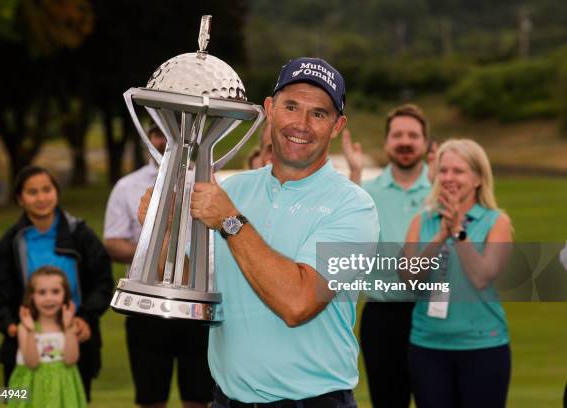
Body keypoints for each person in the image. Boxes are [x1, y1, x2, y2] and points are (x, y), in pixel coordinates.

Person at [139, 57, 379, 405]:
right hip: (227, 399)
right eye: (291, 106)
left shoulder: (354, 207)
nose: (301, 124)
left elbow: (298, 303)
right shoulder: (234, 190)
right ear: (269, 109)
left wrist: (231, 223)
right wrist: (161, 234)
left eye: (319, 113)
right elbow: (194, 285)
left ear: (337, 125)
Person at [103, 125, 213, 408]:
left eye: (174, 133)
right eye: (159, 133)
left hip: (196, 303)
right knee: (151, 398)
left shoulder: (207, 181)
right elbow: (113, 242)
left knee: (199, 397)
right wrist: (154, 251)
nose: (166, 141)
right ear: (147, 138)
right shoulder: (127, 186)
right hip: (147, 305)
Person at [402, 139, 512, 407]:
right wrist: (440, 236)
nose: (449, 178)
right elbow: (408, 279)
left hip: (482, 347)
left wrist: (458, 233)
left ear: (477, 178)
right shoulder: (422, 220)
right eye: (444, 170)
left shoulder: (497, 221)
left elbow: (483, 275)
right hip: (427, 347)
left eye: (459, 171)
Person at [0, 165, 113, 401]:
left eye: (47, 189)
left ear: (56, 192)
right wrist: (10, 325)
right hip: (27, 336)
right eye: (32, 192)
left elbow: (103, 282)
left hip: (73, 333)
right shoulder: (10, 243)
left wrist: (86, 318)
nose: (41, 198)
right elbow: (1, 292)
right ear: (20, 199)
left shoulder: (80, 234)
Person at [342, 104, 434, 407]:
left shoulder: (442, 190)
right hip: (382, 318)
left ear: (426, 144)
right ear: (387, 143)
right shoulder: (366, 191)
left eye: (413, 135)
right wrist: (354, 174)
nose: (405, 142)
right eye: (398, 135)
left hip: (432, 314)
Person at [7, 266, 87, 407]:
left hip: (62, 388)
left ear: (65, 294)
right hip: (33, 388)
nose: (49, 298)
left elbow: (70, 360)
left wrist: (69, 328)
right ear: (32, 296)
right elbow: (32, 363)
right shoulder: (24, 328)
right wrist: (31, 331)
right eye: (42, 292)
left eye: (55, 292)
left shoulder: (69, 326)